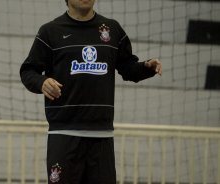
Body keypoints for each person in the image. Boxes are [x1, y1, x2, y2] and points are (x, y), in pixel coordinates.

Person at [20, 0, 162, 183]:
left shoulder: (112, 29)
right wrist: (42, 82)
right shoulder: (50, 31)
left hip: (102, 138)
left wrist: (146, 67)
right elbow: (28, 71)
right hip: (64, 136)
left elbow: (128, 68)